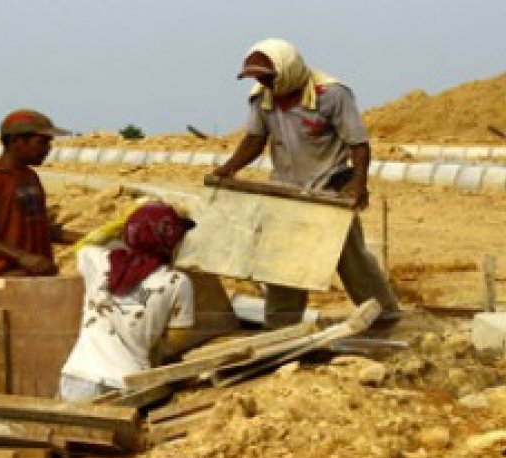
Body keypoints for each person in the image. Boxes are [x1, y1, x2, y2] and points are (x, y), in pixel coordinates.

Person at [210, 38, 400, 329]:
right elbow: (255, 139)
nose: (263, 81)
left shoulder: (332, 94)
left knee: (351, 260)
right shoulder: (262, 97)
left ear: (286, 71)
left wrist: (359, 184)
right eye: (259, 78)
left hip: (329, 190)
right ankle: (280, 326)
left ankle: (385, 315)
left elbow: (358, 143)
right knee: (284, 262)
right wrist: (228, 169)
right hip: (287, 191)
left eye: (267, 76)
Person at [59, 201, 197, 401]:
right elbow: (175, 342)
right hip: (128, 384)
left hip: (78, 377)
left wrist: (126, 222)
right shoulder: (176, 282)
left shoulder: (100, 262)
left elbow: (84, 244)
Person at [0, 108, 79, 307]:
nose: (48, 149)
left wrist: (86, 239)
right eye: (42, 142)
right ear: (16, 141)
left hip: (33, 278)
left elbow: (35, 228)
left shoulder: (30, 178)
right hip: (2, 280)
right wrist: (22, 257)